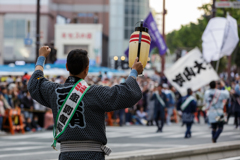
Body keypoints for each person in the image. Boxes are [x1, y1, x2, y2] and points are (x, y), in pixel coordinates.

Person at [28, 46, 143, 160]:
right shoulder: (96, 93)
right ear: (86, 69)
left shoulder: (55, 91)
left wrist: (41, 57)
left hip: (66, 156)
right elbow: (126, 93)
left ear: (67, 67)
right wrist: (134, 72)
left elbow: (35, 83)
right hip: (92, 156)